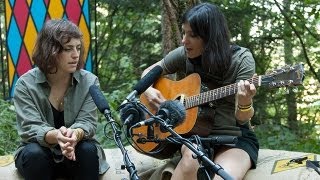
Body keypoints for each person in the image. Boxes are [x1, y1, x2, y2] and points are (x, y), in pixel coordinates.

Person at [141, 2, 259, 180]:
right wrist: (148, 89)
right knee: (189, 163)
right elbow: (148, 73)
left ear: (210, 37)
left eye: (192, 35)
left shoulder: (242, 59)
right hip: (195, 136)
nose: (184, 40)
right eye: (183, 32)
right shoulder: (184, 53)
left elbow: (243, 118)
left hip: (233, 138)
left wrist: (244, 102)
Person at [12, 19, 109, 180]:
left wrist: (74, 134)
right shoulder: (25, 84)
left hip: (76, 151)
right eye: (68, 49)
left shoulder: (89, 82)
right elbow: (29, 128)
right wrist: (57, 135)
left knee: (87, 151)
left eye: (78, 48)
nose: (76, 55)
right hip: (40, 156)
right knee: (34, 154)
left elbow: (88, 122)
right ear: (49, 50)